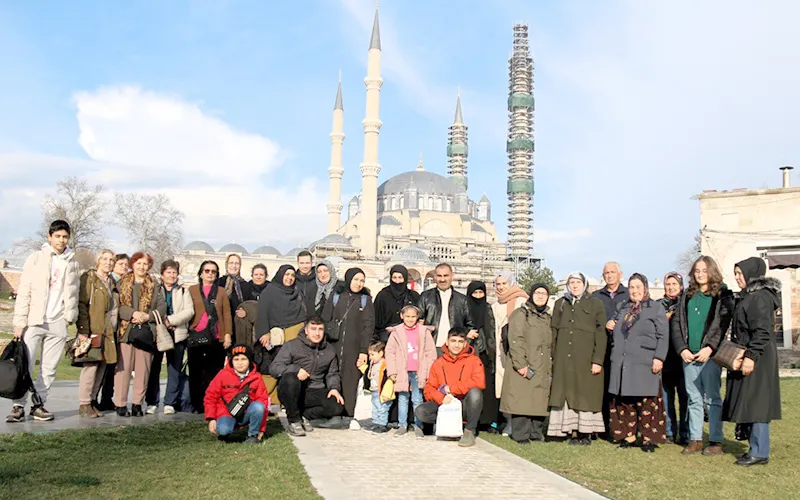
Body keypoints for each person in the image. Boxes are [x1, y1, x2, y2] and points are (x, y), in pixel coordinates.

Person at [6, 220, 80, 423]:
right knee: (25, 366)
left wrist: (69, 317)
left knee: (49, 368)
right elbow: (24, 291)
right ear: (50, 236)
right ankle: (18, 406)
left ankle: (39, 405)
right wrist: (19, 322)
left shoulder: (72, 262)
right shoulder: (36, 258)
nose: (61, 240)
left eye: (65, 236)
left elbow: (74, 293)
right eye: (57, 236)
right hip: (35, 320)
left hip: (58, 321)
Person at [670, 256, 733, 456]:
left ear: (711, 271)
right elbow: (677, 325)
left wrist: (709, 349)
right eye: (697, 271)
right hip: (689, 356)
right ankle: (695, 439)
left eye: (704, 270)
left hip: (710, 357)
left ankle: (715, 440)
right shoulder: (687, 296)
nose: (700, 274)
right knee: (693, 399)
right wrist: (682, 349)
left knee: (713, 399)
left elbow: (721, 325)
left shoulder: (722, 295)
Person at [723, 257, 782, 466]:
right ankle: (754, 448)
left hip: (759, 359)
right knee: (750, 402)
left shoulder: (759, 298)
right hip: (752, 356)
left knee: (758, 404)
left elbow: (762, 332)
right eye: (736, 273)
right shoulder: (750, 296)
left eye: (740, 273)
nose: (737, 277)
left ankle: (759, 451)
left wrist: (751, 357)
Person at [607, 274, 668, 452]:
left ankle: (648, 438)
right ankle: (629, 436)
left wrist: (659, 358)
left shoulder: (655, 308)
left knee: (647, 400)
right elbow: (617, 327)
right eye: (632, 287)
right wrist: (611, 325)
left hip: (645, 361)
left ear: (645, 288)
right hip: (623, 361)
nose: (635, 291)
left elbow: (663, 335)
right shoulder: (622, 307)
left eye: (638, 287)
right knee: (625, 401)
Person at [547, 271, 607, 445]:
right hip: (564, 358)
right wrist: (553, 357)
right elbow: (554, 331)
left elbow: (601, 333)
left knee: (584, 393)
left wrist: (597, 360)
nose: (574, 285)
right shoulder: (560, 304)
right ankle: (568, 430)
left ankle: (585, 433)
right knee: (566, 393)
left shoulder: (596, 304)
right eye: (571, 282)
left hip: (586, 358)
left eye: (578, 282)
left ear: (584, 284)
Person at [270, 316, 346, 436]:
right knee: (290, 379)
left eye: (320, 329)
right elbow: (274, 368)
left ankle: (303, 415)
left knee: (337, 406)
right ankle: (294, 420)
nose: (317, 333)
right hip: (292, 390)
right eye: (313, 329)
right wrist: (295, 369)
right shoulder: (292, 345)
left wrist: (334, 388)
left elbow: (332, 373)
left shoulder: (330, 350)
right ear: (306, 330)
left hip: (315, 390)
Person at [114, 252, 167, 417]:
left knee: (143, 369)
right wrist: (132, 314)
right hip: (126, 330)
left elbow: (161, 306)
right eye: (138, 263)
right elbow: (117, 306)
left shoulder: (155, 285)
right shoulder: (122, 282)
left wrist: (146, 316)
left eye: (145, 264)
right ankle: (120, 403)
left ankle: (137, 403)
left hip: (146, 331)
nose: (141, 267)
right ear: (133, 264)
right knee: (124, 369)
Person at [415, 327, 486, 447]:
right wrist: (441, 398)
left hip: (464, 405)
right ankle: (447, 426)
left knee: (475, 393)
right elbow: (429, 389)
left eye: (460, 342)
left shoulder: (474, 360)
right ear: (447, 342)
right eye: (453, 341)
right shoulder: (438, 363)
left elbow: (479, 382)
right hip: (445, 404)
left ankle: (469, 431)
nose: (456, 345)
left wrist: (452, 389)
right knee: (420, 411)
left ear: (465, 344)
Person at [500, 283, 552, 444]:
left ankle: (536, 433)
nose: (541, 296)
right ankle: (521, 434)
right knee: (522, 399)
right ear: (531, 294)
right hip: (524, 363)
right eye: (538, 292)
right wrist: (520, 363)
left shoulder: (547, 317)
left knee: (538, 401)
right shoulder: (520, 314)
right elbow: (515, 339)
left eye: (544, 293)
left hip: (542, 364)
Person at [321, 267, 375, 419]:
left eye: (362, 280)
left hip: (354, 348)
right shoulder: (336, 296)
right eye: (356, 279)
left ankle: (348, 414)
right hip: (333, 345)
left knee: (351, 381)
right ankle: (331, 411)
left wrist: (364, 350)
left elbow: (368, 328)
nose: (359, 283)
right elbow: (325, 319)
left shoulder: (365, 300)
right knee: (332, 377)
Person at [145, 259, 195, 414]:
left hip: (177, 332)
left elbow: (189, 311)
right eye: (169, 272)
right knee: (154, 367)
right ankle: (152, 401)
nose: (172, 275)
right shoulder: (155, 289)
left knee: (174, 368)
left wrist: (171, 320)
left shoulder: (182, 291)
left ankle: (170, 402)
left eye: (174, 272)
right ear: (162, 274)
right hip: (158, 333)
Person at [255, 264, 307, 406]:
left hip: (293, 334)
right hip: (274, 336)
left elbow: (303, 314)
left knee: (290, 367)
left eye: (292, 275)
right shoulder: (270, 291)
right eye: (287, 275)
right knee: (270, 368)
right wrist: (264, 333)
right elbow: (262, 313)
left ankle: (286, 400)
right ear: (280, 275)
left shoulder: (296, 292)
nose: (290, 278)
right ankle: (266, 399)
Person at [75, 249, 118, 418]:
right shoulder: (89, 279)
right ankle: (84, 402)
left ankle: (92, 400)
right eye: (105, 259)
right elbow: (82, 304)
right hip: (93, 329)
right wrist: (83, 330)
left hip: (107, 331)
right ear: (98, 260)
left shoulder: (112, 282)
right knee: (90, 366)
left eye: (111, 260)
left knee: (101, 366)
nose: (108, 262)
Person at [187, 260, 232, 414]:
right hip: (196, 336)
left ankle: (211, 402)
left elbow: (226, 313)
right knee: (196, 373)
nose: (210, 274)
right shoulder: (192, 290)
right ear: (201, 273)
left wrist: (227, 334)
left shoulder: (221, 292)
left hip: (216, 337)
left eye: (213, 271)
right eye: (207, 271)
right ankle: (196, 403)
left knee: (214, 373)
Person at [385, 305, 437, 437]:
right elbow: (390, 352)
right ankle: (402, 424)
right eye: (407, 316)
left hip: (419, 370)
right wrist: (392, 371)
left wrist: (428, 372)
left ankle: (418, 425)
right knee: (403, 398)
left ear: (417, 317)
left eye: (413, 316)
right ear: (402, 316)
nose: (410, 319)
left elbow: (430, 353)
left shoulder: (424, 332)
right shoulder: (396, 332)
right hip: (402, 370)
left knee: (417, 399)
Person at [204, 344, 269, 444]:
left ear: (250, 361)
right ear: (231, 361)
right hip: (226, 413)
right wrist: (211, 418)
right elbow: (210, 397)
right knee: (223, 430)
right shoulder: (222, 374)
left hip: (247, 412)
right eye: (236, 359)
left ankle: (253, 435)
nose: (240, 363)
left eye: (243, 359)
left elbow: (263, 401)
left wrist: (262, 429)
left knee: (259, 406)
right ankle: (225, 432)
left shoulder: (257, 377)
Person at [593, 261, 629, 436]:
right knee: (602, 388)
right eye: (606, 272)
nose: (609, 275)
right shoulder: (596, 296)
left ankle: (621, 425)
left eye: (612, 272)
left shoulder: (629, 295)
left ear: (620, 274)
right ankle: (603, 426)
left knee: (620, 388)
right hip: (602, 348)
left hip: (624, 349)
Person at [490, 270, 528, 435]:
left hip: (515, 350)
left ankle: (517, 424)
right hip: (500, 351)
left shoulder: (521, 301)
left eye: (504, 283)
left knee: (515, 386)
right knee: (502, 386)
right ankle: (507, 422)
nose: (501, 287)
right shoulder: (495, 304)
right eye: (498, 284)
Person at [96, 253, 131, 411]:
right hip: (106, 328)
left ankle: (107, 397)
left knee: (113, 366)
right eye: (121, 264)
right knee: (101, 364)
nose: (124, 267)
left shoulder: (127, 283)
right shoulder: (110, 282)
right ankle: (94, 397)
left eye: (126, 264)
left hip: (119, 330)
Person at [659, 271, 688, 444]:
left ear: (680, 286)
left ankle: (685, 433)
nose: (671, 288)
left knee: (685, 398)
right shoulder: (659, 306)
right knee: (666, 398)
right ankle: (669, 431)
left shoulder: (686, 304)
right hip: (665, 358)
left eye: (674, 285)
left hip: (683, 357)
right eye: (668, 285)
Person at [465, 281, 499, 431]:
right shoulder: (465, 307)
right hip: (469, 352)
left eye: (481, 293)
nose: (478, 296)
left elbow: (492, 330)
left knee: (488, 387)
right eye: (475, 293)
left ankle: (488, 420)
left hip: (486, 354)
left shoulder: (488, 308)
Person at [418, 263, 474, 351]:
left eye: (446, 275)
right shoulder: (425, 297)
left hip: (455, 349)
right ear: (435, 277)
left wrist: (463, 342)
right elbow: (417, 321)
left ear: (452, 276)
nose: (442, 279)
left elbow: (470, 325)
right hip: (431, 347)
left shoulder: (462, 299)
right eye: (439, 276)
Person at [373, 264, 421, 343]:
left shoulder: (413, 296)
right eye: (394, 278)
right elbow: (376, 318)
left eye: (400, 277)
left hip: (408, 338)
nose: (397, 281)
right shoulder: (383, 295)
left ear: (405, 278)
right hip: (386, 338)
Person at [366, 341, 392, 433]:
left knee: (382, 408)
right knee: (375, 407)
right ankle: (376, 423)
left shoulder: (385, 364)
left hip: (382, 392)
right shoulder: (372, 364)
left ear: (381, 353)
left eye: (372, 354)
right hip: (374, 390)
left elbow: (389, 379)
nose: (370, 357)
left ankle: (382, 424)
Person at [295, 250, 317, 319]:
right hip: (296, 320)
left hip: (315, 320)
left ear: (312, 263)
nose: (305, 266)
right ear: (298, 263)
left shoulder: (318, 279)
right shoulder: (292, 280)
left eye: (307, 263)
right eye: (302, 263)